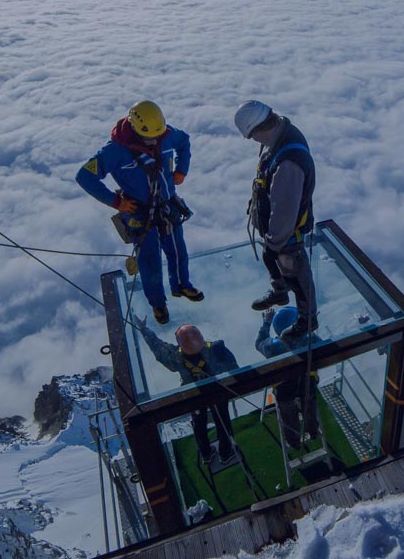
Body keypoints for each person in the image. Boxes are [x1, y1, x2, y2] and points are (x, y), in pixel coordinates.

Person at [76, 100, 203, 324]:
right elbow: (84, 176)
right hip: (139, 213)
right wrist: (116, 201)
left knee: (177, 250)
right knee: (149, 261)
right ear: (135, 129)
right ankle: (158, 304)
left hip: (167, 206)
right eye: (148, 138)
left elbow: (184, 141)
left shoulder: (166, 134)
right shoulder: (116, 150)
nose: (154, 141)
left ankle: (182, 285)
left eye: (157, 136)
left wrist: (182, 170)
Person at [234, 100, 317, 339]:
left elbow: (285, 209)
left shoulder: (288, 161)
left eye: (251, 135)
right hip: (278, 230)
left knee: (297, 276)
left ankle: (307, 320)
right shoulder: (281, 135)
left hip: (287, 234)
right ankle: (280, 291)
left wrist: (274, 241)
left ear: (258, 129)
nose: (253, 140)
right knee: (271, 259)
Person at [136, 318, 238, 464]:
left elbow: (157, 347)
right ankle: (226, 453)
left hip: (193, 395)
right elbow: (234, 368)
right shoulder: (216, 349)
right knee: (223, 420)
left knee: (199, 424)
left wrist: (143, 329)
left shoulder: (176, 357)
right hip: (217, 391)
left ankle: (206, 453)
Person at [255, 306, 320, 449]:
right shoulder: (310, 338)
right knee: (309, 400)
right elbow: (322, 348)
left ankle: (293, 441)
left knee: (287, 412)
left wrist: (266, 322)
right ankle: (313, 430)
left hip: (284, 389)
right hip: (307, 383)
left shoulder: (271, 347)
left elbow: (259, 343)